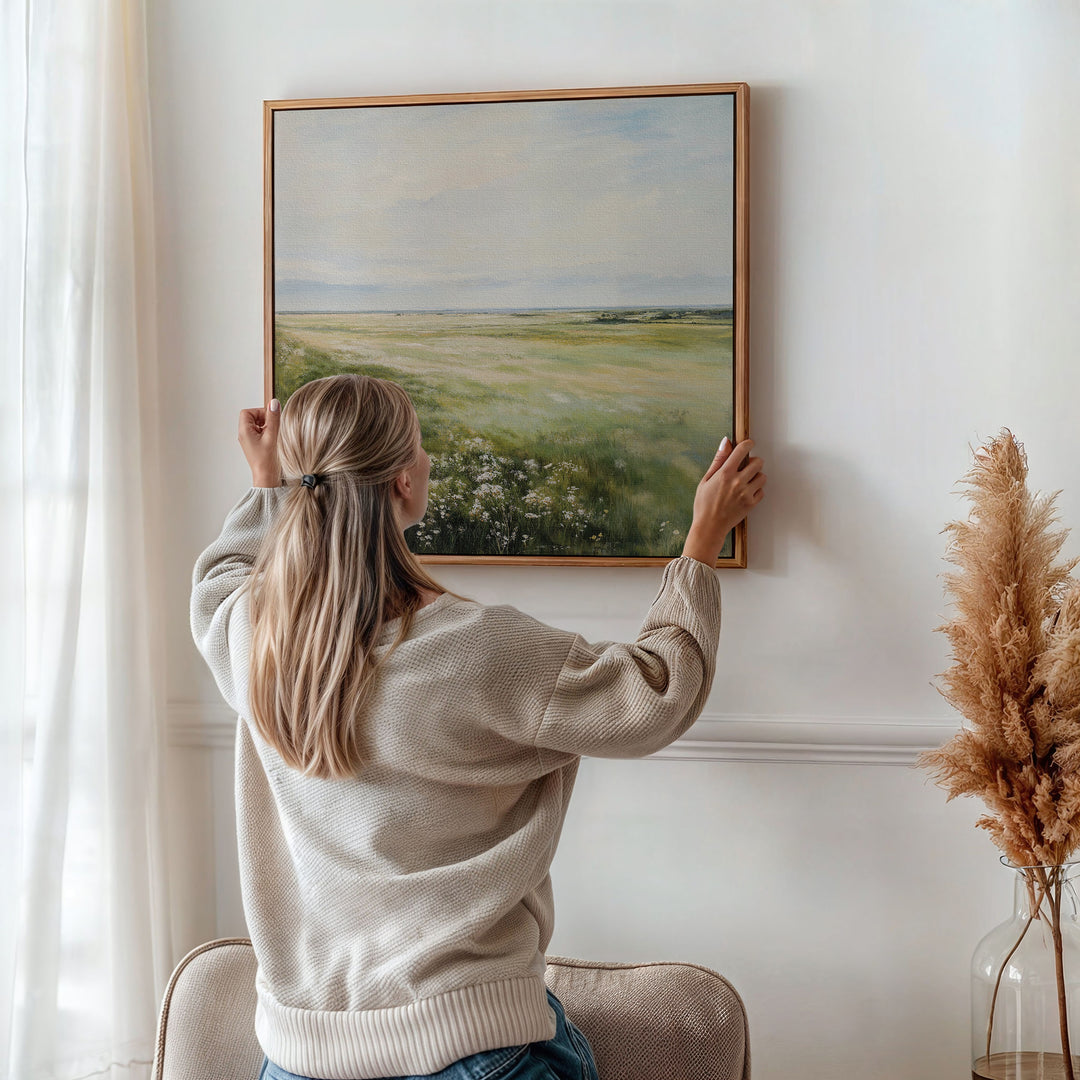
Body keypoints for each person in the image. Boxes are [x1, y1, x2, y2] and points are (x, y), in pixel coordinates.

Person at [190, 373, 766, 1080]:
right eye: (422, 448)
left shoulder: (254, 639)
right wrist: (701, 541)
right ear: (403, 482)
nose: (429, 461)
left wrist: (266, 485)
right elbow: (655, 693)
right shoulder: (478, 649)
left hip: (297, 1061)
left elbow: (218, 578)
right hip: (469, 1051)